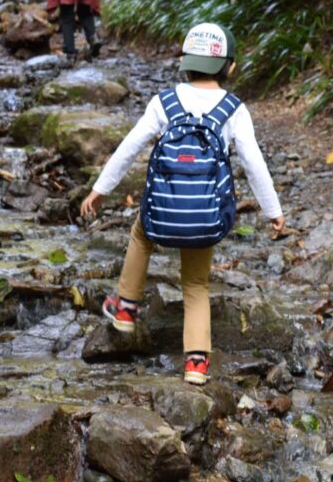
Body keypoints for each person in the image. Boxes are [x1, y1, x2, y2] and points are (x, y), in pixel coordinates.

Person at [80, 23, 285, 386]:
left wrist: (101, 189)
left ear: (184, 64)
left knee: (141, 235)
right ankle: (195, 364)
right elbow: (254, 163)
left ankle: (126, 309)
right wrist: (273, 211)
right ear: (230, 67)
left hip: (162, 212)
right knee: (196, 285)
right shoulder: (234, 109)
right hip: (204, 217)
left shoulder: (164, 103)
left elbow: (129, 147)